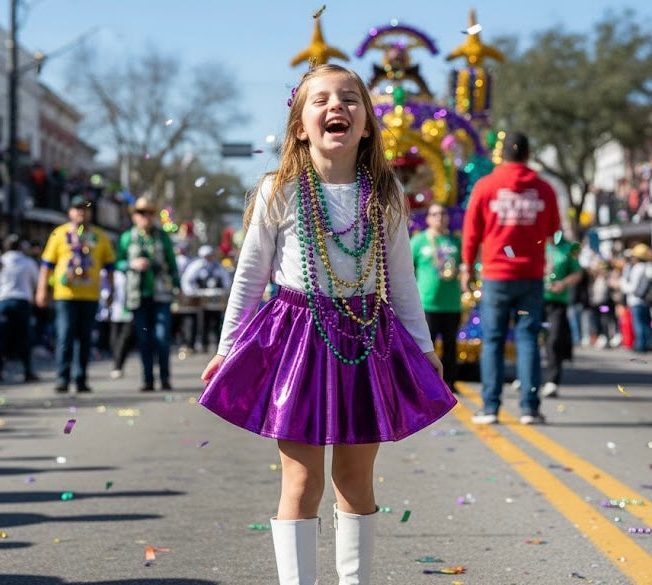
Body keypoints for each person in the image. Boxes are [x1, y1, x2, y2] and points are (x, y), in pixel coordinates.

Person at [198, 64, 456, 585]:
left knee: (356, 480)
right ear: (300, 125)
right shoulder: (280, 190)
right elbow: (248, 280)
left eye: (349, 99)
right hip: (297, 339)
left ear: (365, 125)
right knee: (300, 479)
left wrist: (424, 348)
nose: (336, 106)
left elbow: (402, 281)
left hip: (367, 336)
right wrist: (228, 348)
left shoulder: (385, 193)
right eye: (321, 100)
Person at [460, 131, 561, 425]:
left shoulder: (486, 186)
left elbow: (472, 233)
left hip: (496, 276)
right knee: (528, 339)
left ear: (501, 154)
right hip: (530, 275)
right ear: (528, 155)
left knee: (492, 340)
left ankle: (490, 407)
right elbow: (553, 229)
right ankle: (530, 408)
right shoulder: (544, 188)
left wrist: (467, 268)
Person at [35, 195, 115, 394]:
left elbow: (110, 266)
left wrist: (111, 290)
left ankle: (81, 379)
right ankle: (62, 378)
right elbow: (46, 265)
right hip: (65, 295)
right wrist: (42, 289)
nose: (81, 212)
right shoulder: (59, 233)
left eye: (85, 208)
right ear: (70, 211)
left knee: (85, 338)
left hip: (90, 295)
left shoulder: (100, 236)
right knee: (65, 335)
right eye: (77, 208)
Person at [116, 196, 179, 391]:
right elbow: (118, 262)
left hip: (161, 294)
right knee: (143, 339)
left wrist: (177, 287)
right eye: (141, 213)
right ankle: (148, 379)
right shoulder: (127, 237)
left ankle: (165, 378)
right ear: (135, 216)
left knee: (162, 337)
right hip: (138, 295)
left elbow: (172, 264)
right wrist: (131, 264)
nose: (145, 217)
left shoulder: (162, 237)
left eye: (149, 213)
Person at [410, 203, 464, 391]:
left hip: (451, 303)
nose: (439, 217)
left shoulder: (455, 242)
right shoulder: (419, 241)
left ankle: (450, 382)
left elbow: (466, 264)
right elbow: (407, 268)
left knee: (450, 345)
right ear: (428, 219)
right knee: (426, 345)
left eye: (442, 213)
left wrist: (463, 273)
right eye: (434, 214)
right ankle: (423, 381)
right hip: (426, 304)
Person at [0, 234, 40, 383]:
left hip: (2, 301)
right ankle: (27, 371)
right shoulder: (28, 262)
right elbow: (36, 282)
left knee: (1, 338)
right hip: (21, 302)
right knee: (24, 338)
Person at [541, 233, 582, 398]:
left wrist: (563, 283)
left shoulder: (568, 248)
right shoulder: (537, 242)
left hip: (557, 301)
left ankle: (552, 380)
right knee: (531, 338)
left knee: (554, 338)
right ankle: (527, 378)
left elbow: (577, 273)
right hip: (534, 299)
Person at [181, 245, 232, 353]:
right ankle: (202, 343)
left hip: (214, 300)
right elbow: (187, 280)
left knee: (216, 321)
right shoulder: (196, 266)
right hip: (200, 300)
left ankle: (218, 345)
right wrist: (193, 293)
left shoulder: (218, 266)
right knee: (202, 322)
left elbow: (226, 280)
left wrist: (222, 292)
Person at [621, 243, 652, 354]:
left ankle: (641, 345)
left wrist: (622, 283)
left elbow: (632, 287)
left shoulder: (638, 268)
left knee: (639, 324)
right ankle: (648, 344)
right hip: (646, 300)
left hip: (636, 300)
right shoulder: (648, 267)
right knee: (646, 323)